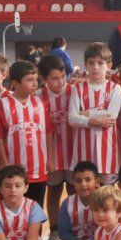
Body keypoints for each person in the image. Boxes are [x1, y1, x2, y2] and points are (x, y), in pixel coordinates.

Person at [0, 61, 55, 206]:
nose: (35, 84)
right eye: (29, 80)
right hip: (15, 169)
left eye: (36, 79)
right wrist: (4, 162)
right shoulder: (4, 104)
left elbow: (48, 132)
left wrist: (50, 159)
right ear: (15, 82)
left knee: (36, 209)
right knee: (16, 208)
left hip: (39, 169)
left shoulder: (40, 103)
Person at [69, 42, 121, 183]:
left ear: (109, 66)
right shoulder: (77, 89)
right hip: (83, 150)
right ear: (85, 65)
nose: (96, 67)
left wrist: (84, 113)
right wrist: (95, 120)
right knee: (85, 193)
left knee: (106, 195)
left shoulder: (115, 88)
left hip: (107, 151)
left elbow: (111, 118)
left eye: (100, 63)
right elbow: (72, 119)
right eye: (91, 63)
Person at [38, 55, 76, 226]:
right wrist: (47, 158)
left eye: (63, 77)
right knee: (53, 191)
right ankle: (54, 227)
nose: (60, 82)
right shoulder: (38, 96)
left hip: (74, 152)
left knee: (75, 191)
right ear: (44, 79)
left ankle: (75, 225)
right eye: (54, 79)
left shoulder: (74, 92)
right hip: (51, 154)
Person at [48, 161, 100, 240]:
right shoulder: (67, 203)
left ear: (97, 182)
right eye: (78, 181)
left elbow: (106, 230)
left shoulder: (103, 201)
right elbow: (63, 232)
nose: (83, 184)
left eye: (88, 180)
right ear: (74, 184)